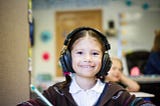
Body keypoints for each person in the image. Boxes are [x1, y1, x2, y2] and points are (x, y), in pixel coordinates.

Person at [17, 27, 154, 106]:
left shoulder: (116, 93)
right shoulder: (55, 93)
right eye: (80, 52)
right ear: (68, 58)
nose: (87, 59)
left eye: (94, 53)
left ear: (105, 60)